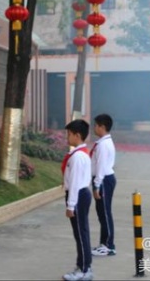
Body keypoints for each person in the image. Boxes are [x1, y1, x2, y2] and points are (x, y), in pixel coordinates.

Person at [62, 119, 93, 281]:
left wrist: (71, 205)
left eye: (69, 134)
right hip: (80, 194)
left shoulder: (78, 156)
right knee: (81, 232)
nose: (67, 137)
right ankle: (84, 266)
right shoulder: (79, 154)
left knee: (81, 233)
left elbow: (74, 182)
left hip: (78, 195)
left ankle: (84, 269)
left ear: (77, 135)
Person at [91, 113, 116, 257]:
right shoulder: (103, 142)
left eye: (96, 125)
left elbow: (100, 167)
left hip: (104, 180)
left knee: (105, 213)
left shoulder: (103, 145)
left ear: (102, 127)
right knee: (102, 213)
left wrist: (96, 185)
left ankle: (108, 245)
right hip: (104, 179)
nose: (94, 128)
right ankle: (104, 244)